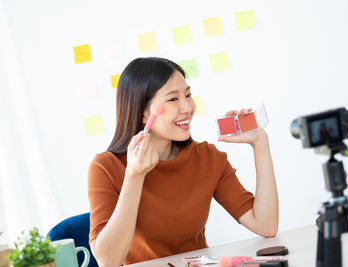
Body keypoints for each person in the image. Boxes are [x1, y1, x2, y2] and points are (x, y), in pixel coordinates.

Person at [88, 57, 278, 266]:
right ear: (143, 112)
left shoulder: (207, 158)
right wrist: (135, 175)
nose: (187, 107)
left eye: (188, 95)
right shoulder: (105, 168)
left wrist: (260, 143)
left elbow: (266, 225)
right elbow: (108, 261)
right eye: (173, 99)